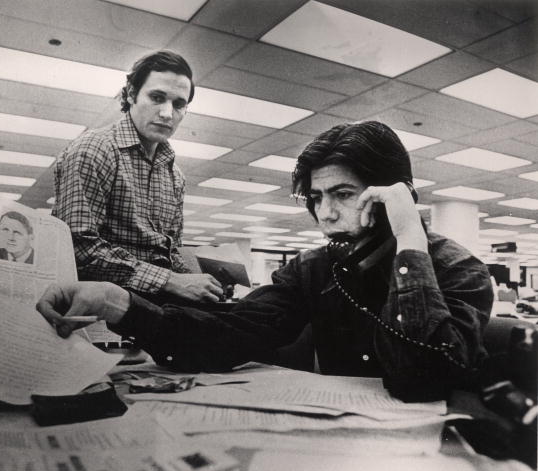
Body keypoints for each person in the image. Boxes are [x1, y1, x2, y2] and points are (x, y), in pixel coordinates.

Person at [38, 121, 493, 400]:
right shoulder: (313, 270)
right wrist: (116, 302)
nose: (325, 214)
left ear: (394, 195)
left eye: (343, 194)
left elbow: (420, 380)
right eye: (316, 198)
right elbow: (226, 336)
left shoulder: (460, 270)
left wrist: (409, 236)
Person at [53, 50, 222, 303]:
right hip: (102, 308)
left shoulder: (175, 175)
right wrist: (170, 281)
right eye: (157, 97)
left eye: (178, 104)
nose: (167, 113)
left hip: (154, 307)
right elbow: (79, 250)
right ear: (131, 94)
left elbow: (171, 252)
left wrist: (201, 282)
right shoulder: (95, 149)